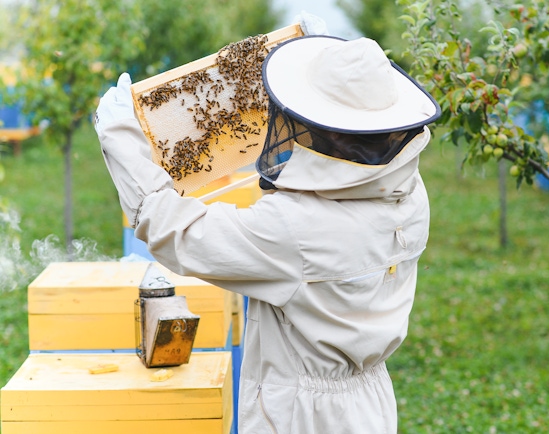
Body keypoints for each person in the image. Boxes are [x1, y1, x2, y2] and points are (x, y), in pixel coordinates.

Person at [95, 32, 440, 434]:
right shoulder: (411, 196)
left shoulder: (297, 231)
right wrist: (332, 67)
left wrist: (119, 135)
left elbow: (171, 228)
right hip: (371, 406)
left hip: (303, 417)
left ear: (331, 134)